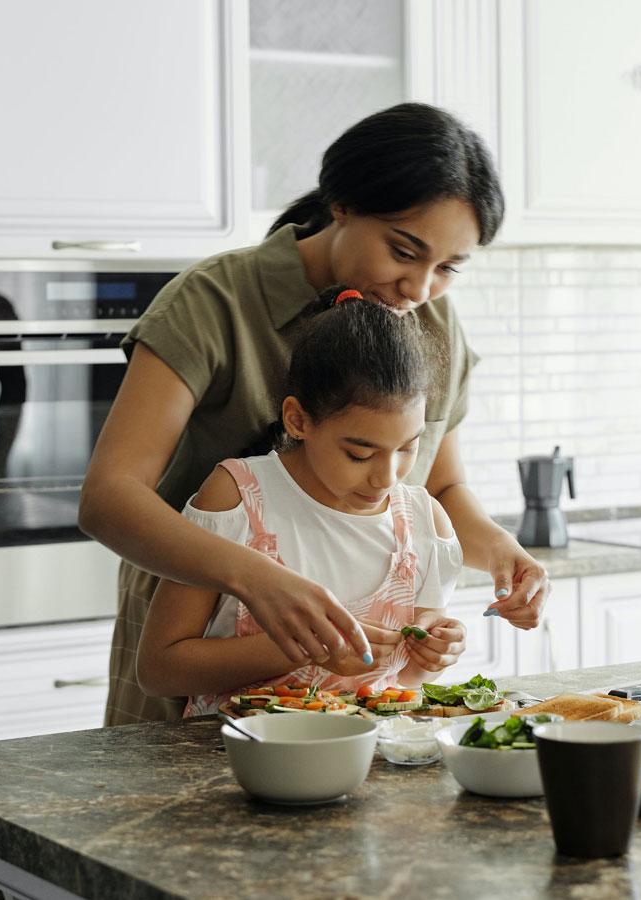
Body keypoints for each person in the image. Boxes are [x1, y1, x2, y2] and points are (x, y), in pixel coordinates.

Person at [79, 101, 551, 726]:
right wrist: (257, 579)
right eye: (404, 251)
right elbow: (109, 497)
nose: (420, 288)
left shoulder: (430, 319)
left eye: (447, 269)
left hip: (349, 698)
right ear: (343, 205)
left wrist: (498, 551)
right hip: (197, 643)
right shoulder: (214, 301)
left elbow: (438, 485)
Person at [136, 288, 467, 713]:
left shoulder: (424, 524)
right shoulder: (237, 499)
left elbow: (406, 682)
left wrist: (433, 656)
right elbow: (158, 670)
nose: (387, 476)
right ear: (298, 419)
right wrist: (305, 647)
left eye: (408, 447)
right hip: (233, 762)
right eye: (360, 454)